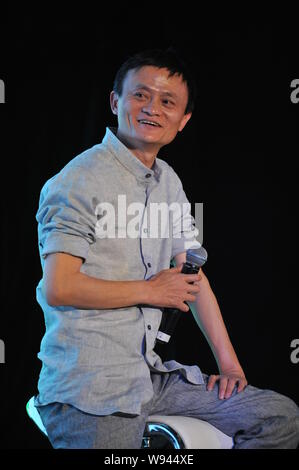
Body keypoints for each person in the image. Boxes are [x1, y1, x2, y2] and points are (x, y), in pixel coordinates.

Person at [34, 48, 299, 449]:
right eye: (140, 95)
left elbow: (193, 274)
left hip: (148, 377)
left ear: (183, 120)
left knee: (279, 417)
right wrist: (152, 290)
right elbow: (60, 287)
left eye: (167, 101)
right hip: (88, 389)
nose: (152, 108)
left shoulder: (168, 182)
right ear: (115, 101)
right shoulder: (78, 181)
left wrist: (229, 364)